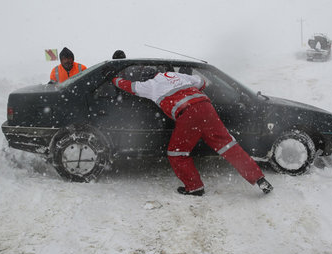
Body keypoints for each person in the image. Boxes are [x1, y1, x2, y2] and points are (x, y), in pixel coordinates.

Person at [112, 68, 273, 196]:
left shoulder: (151, 85)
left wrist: (114, 79)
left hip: (188, 114)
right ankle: (259, 179)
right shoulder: (175, 75)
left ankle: (194, 187)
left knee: (177, 153)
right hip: (206, 107)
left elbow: (129, 87)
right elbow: (201, 82)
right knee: (229, 147)